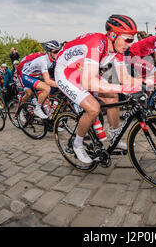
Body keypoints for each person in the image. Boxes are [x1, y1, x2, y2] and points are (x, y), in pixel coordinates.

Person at [55, 15, 150, 163]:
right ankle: (77, 144)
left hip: (83, 70)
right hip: (66, 72)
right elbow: (88, 82)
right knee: (93, 108)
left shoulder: (117, 49)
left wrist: (149, 81)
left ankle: (114, 137)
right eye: (128, 39)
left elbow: (125, 78)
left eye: (133, 39)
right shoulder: (96, 43)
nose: (130, 44)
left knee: (112, 96)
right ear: (112, 35)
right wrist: (123, 88)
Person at [16, 40, 59, 119]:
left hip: (35, 75)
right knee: (30, 92)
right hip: (25, 75)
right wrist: (61, 85)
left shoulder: (52, 59)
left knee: (46, 96)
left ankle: (51, 122)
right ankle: (21, 111)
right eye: (55, 51)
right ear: (48, 52)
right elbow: (47, 80)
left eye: (58, 51)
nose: (57, 54)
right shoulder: (43, 60)